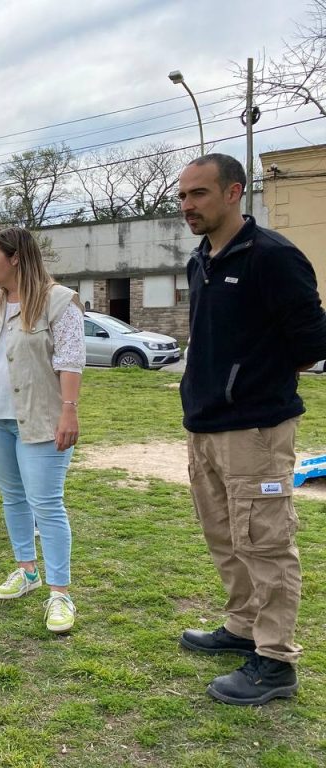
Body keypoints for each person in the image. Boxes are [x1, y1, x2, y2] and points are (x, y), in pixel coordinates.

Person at [176, 154, 326, 706]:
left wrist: (254, 384)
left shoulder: (274, 258)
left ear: (235, 192)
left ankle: (275, 660)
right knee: (225, 536)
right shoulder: (201, 260)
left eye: (199, 194)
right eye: (183, 196)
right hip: (205, 426)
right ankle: (242, 627)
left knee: (265, 543)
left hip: (257, 430)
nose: (187, 206)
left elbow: (313, 343)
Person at [0, 227, 84, 634]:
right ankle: (26, 571)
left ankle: (60, 593)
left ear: (16, 258)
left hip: (42, 420)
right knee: (13, 498)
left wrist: (69, 411)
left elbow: (70, 361)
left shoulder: (59, 302)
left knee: (46, 504)